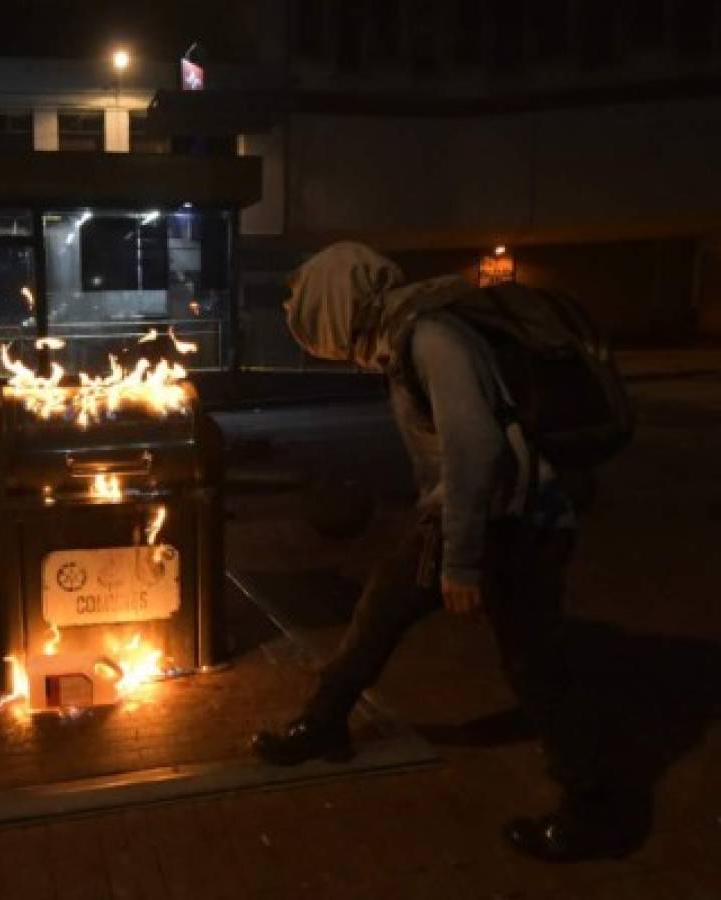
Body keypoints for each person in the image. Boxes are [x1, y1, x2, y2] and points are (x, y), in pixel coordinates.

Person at [251, 242, 632, 862]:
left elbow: (474, 448)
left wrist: (460, 560)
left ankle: (597, 807)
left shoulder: (429, 336)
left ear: (339, 302)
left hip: (514, 521)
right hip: (469, 513)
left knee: (535, 664)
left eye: (313, 309)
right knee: (380, 608)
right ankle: (324, 720)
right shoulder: (410, 330)